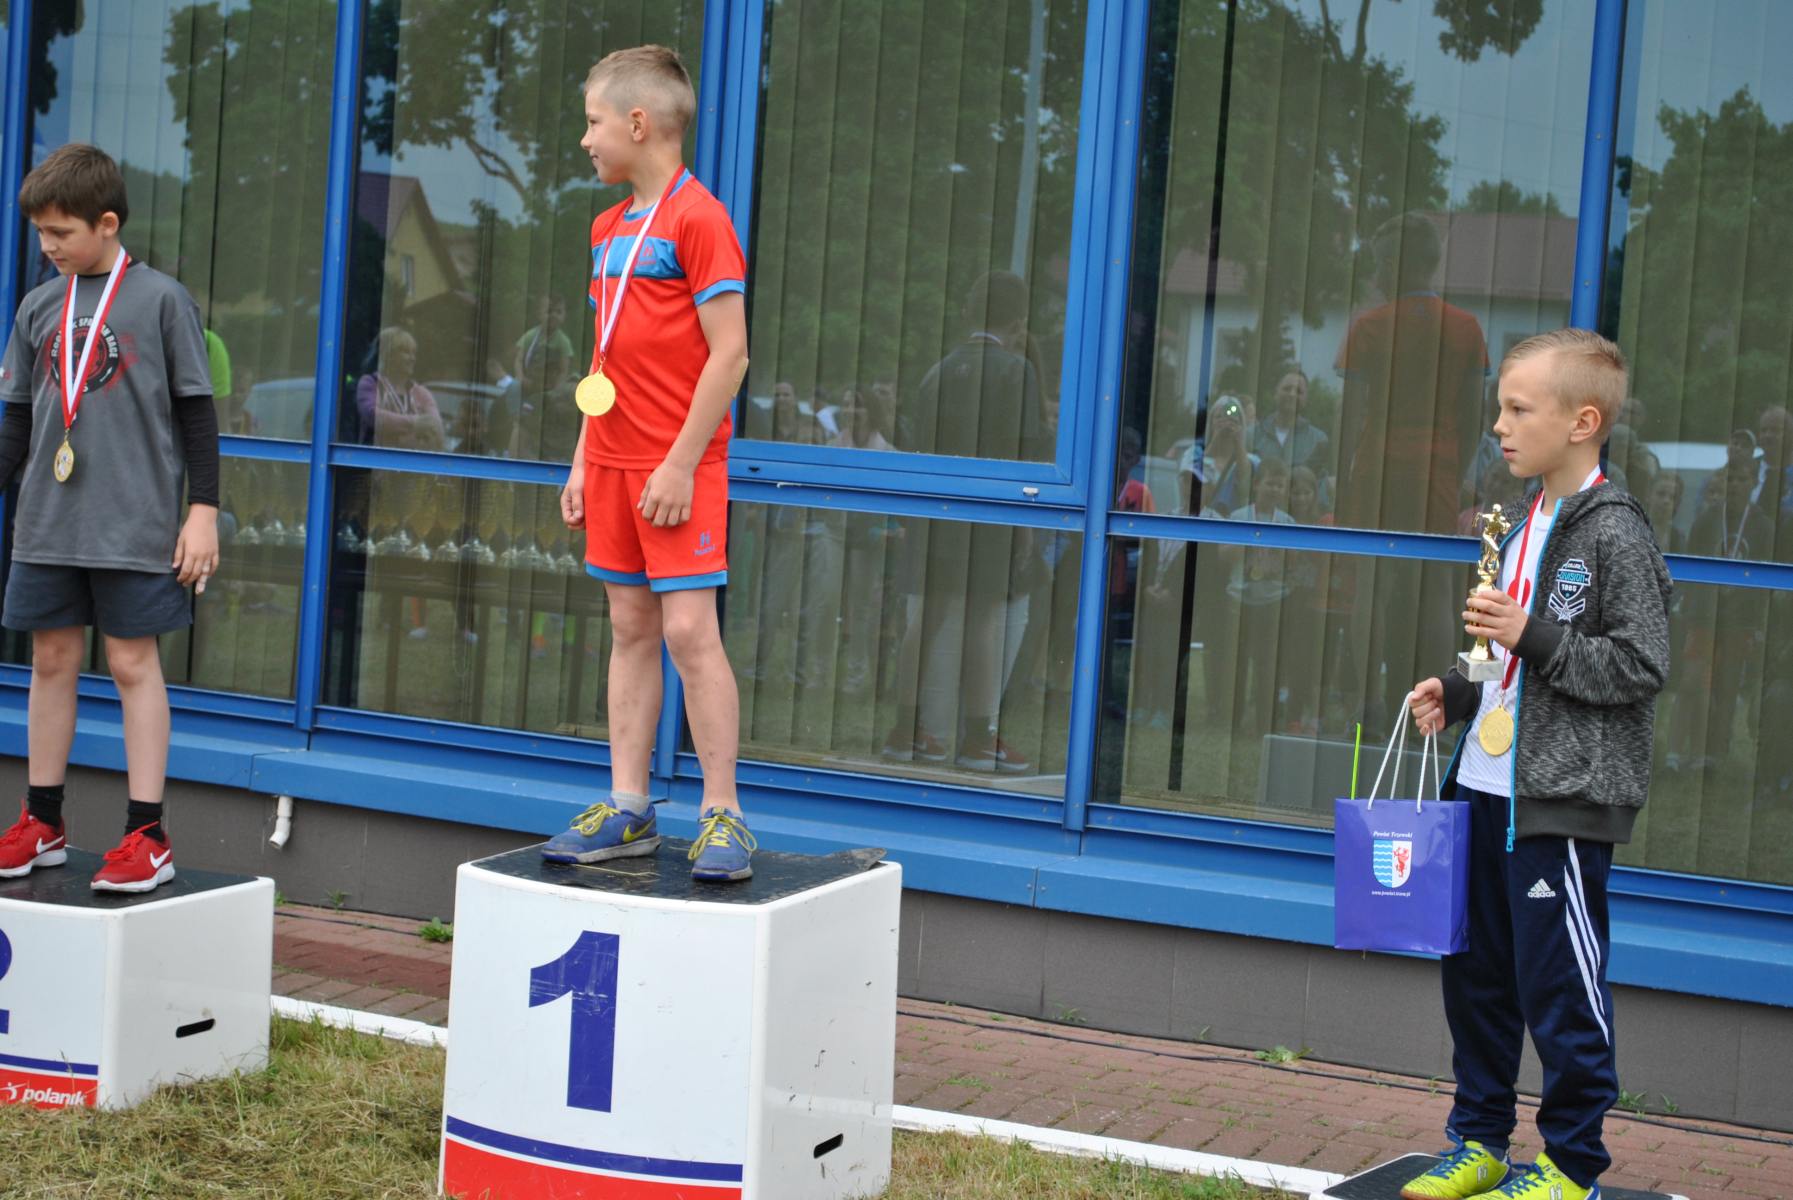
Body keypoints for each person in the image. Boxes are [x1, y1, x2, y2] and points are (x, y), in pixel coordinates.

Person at [1405, 329, 1671, 1200]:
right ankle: (1479, 1142)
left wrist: (1534, 634)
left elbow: (1639, 667)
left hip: (1559, 804)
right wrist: (1457, 689)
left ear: (1581, 422)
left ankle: (1570, 1165)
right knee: (1475, 979)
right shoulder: (1520, 523)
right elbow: (1507, 664)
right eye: (1500, 408)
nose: (1499, 425)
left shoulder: (1615, 534)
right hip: (1483, 790)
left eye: (1518, 409)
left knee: (1559, 989)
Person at [540, 45, 754, 880]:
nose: (585, 139)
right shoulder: (606, 229)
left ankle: (723, 814)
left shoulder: (700, 219)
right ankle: (628, 807)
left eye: (593, 122)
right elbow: (606, 358)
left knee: (689, 631)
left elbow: (730, 355)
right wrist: (581, 460)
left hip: (677, 469)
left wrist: (678, 464)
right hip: (612, 462)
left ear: (637, 123)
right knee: (629, 628)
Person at [0, 144, 220, 892]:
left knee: (131, 664)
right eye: (40, 232)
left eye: (60, 232)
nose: (48, 245)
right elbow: (17, 424)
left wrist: (202, 511)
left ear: (106, 223)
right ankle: (43, 823)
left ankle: (147, 834)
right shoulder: (39, 306)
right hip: (48, 525)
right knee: (50, 662)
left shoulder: (162, 300)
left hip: (135, 525)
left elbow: (197, 415)